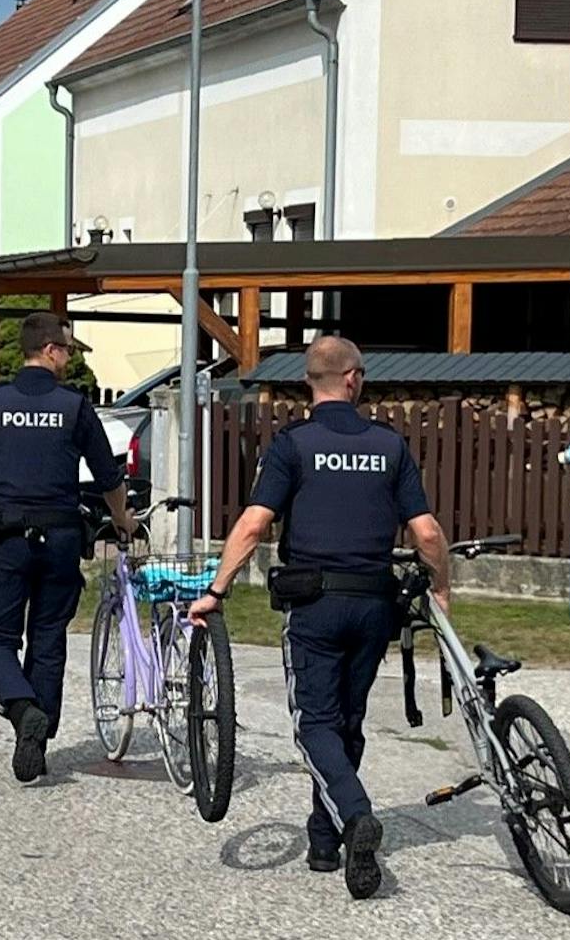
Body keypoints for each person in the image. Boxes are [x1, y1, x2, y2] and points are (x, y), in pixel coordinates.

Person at [189, 336, 450, 900]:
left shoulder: (294, 445)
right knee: (347, 720)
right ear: (354, 379)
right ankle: (324, 839)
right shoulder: (389, 444)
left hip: (314, 604)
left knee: (314, 725)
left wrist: (217, 590)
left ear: (311, 381)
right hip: (373, 604)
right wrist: (443, 590)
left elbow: (254, 526)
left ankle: (356, 817)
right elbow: (426, 533)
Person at [0, 311, 130, 783]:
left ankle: (22, 712)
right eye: (67, 351)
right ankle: (39, 731)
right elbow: (108, 475)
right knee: (48, 637)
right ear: (51, 350)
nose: (69, 360)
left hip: (10, 537)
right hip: (61, 536)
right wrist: (121, 519)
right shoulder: (75, 406)